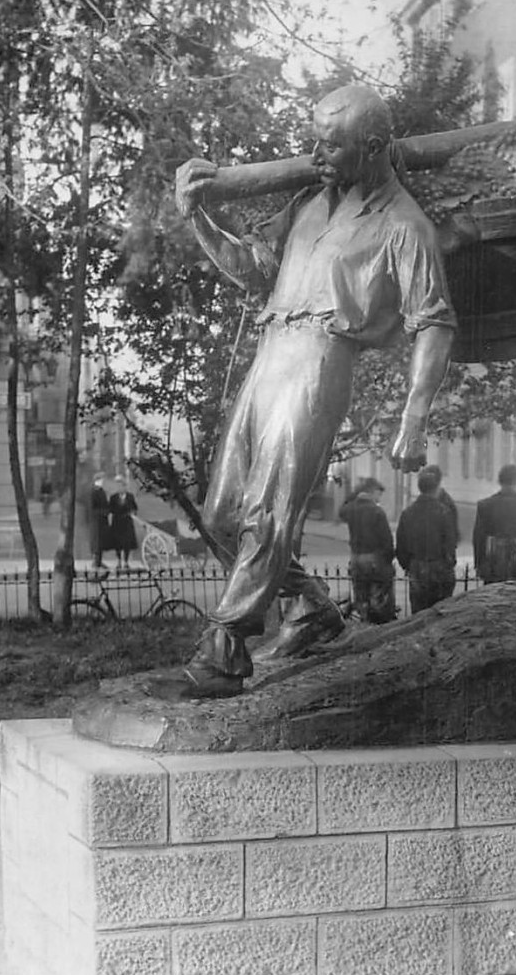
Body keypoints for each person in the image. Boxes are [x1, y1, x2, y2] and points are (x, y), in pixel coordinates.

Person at [170, 83, 457, 697]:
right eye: (315, 142)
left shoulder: (404, 225)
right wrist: (197, 215)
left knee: (265, 511)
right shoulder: (309, 201)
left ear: (374, 147)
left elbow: (433, 321)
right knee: (222, 515)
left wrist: (414, 415)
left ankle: (226, 645)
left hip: (320, 364)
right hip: (270, 356)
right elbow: (250, 268)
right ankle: (311, 610)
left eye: (331, 145)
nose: (315, 154)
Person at [396, 467, 459, 612]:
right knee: (441, 610)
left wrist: (408, 565)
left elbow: (401, 545)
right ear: (436, 488)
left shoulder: (408, 513)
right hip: (440, 566)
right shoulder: (443, 511)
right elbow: (450, 541)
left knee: (419, 611)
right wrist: (449, 563)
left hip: (417, 566)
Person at [340, 478, 397, 623]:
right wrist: (388, 561)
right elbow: (386, 539)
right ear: (372, 492)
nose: (379, 498)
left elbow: (342, 511)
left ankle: (364, 621)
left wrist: (354, 494)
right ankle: (378, 624)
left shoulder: (351, 509)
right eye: (378, 494)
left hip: (356, 557)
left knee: (361, 595)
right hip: (374, 558)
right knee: (379, 597)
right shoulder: (376, 511)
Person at [473, 464, 516, 583]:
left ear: (499, 480)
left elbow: (478, 539)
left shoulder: (485, 506)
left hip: (494, 567)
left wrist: (479, 565)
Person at [107, 475, 140, 570]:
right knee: (117, 544)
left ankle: (126, 561)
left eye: (121, 486)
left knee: (127, 543)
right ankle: (118, 561)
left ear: (125, 486)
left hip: (127, 523)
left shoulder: (130, 496)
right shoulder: (113, 497)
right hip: (117, 522)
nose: (120, 488)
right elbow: (110, 509)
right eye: (118, 486)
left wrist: (133, 512)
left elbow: (135, 508)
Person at [88, 473, 109, 570]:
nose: (103, 481)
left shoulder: (101, 491)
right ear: (97, 480)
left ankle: (99, 561)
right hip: (96, 521)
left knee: (101, 542)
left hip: (102, 521)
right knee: (96, 542)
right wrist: (103, 512)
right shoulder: (93, 491)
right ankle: (95, 561)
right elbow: (92, 508)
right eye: (101, 480)